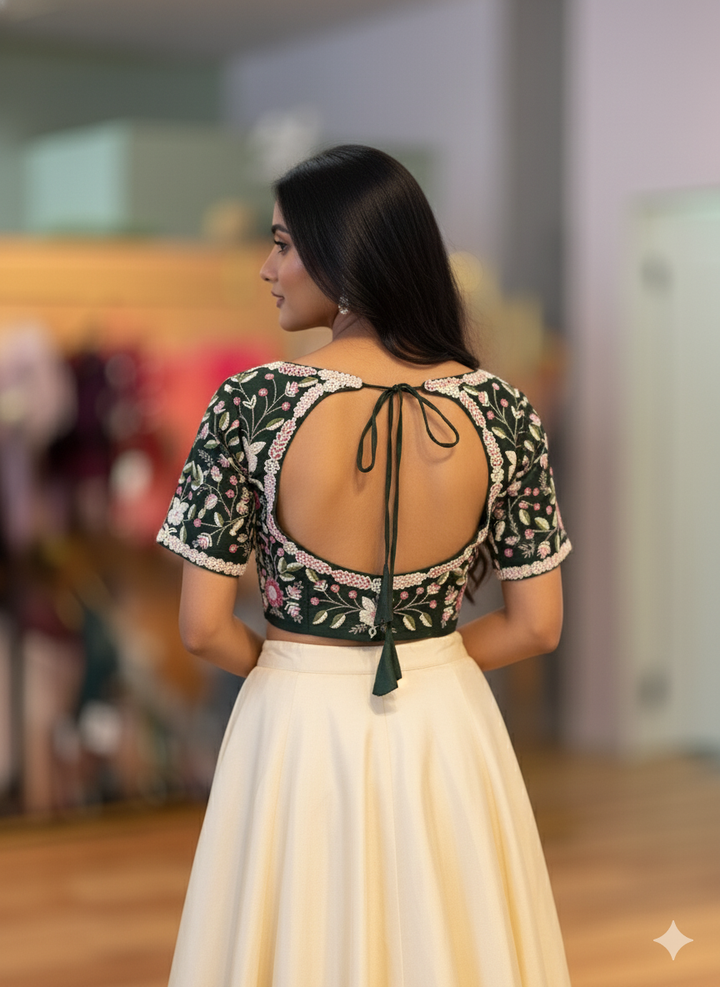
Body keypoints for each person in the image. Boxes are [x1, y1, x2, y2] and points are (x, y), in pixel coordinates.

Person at [157, 145, 573, 986]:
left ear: (342, 257)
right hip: (448, 726)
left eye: (282, 243)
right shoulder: (506, 412)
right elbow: (538, 624)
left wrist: (296, 666)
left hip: (295, 725)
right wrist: (431, 661)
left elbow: (201, 628)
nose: (266, 267)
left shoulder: (251, 404)